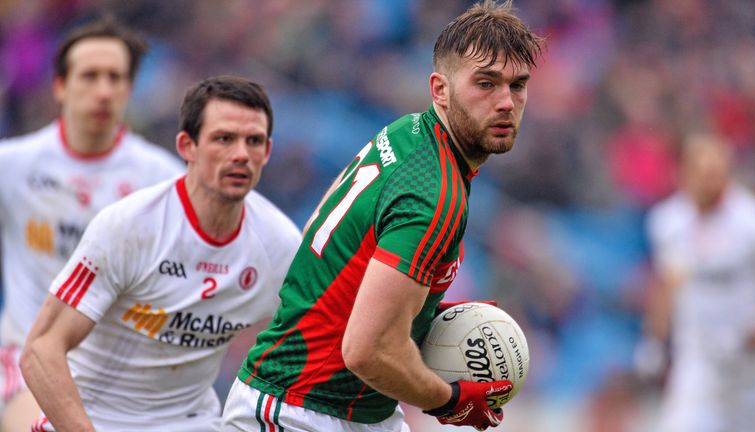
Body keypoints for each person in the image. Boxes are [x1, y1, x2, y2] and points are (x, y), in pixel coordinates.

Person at [222, 1, 544, 431]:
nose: (506, 102)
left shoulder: (407, 131)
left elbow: (332, 237)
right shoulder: (434, 195)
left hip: (353, 408)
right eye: (485, 83)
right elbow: (367, 351)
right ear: (440, 89)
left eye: (517, 85)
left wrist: (416, 307)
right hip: (300, 409)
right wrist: (450, 400)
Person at [20, 75, 302, 431]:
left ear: (268, 152)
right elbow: (40, 349)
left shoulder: (280, 245)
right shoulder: (130, 226)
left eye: (254, 141)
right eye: (224, 139)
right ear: (187, 146)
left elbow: (311, 350)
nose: (241, 155)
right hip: (92, 422)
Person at [0, 16, 185, 432]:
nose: (103, 90)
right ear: (60, 86)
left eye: (115, 78)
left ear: (129, 89)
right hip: (26, 360)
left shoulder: (162, 180)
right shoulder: (13, 165)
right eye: (90, 76)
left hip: (122, 376)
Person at [640, 132, 755, 432]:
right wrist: (654, 341)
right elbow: (668, 283)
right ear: (683, 173)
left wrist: (754, 336)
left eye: (715, 174)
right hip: (699, 360)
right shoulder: (668, 222)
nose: (708, 183)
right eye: (700, 173)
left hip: (753, 364)